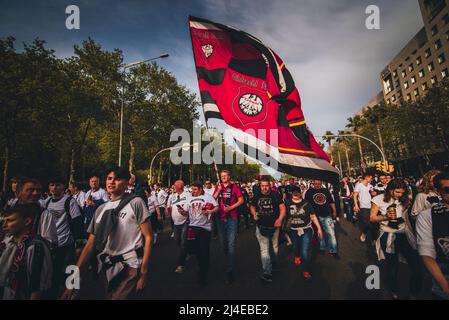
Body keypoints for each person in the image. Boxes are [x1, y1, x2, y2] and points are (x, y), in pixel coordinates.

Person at [61, 166, 152, 300]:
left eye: (117, 179)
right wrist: (72, 282)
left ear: (127, 183)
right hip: (108, 268)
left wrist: (144, 272)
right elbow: (89, 246)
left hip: (131, 266)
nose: (111, 182)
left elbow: (148, 237)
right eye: (109, 178)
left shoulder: (136, 203)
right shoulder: (101, 210)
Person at [370, 178, 422, 300]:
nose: (400, 195)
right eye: (397, 192)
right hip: (388, 234)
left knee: (417, 267)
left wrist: (414, 234)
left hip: (404, 234)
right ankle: (394, 290)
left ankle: (413, 293)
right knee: (393, 267)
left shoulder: (405, 199)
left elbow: (407, 218)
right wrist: (385, 217)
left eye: (402, 192)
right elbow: (372, 218)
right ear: (390, 189)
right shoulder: (378, 199)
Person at [0, 203, 53, 300]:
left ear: (27, 221)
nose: (4, 225)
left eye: (10, 220)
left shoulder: (36, 246)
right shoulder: (9, 242)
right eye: (4, 221)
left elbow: (37, 289)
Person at [44, 177, 84, 298]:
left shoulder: (69, 201)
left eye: (57, 185)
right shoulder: (46, 202)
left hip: (66, 243)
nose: (54, 188)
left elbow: (77, 221)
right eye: (52, 185)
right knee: (53, 275)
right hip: (51, 245)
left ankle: (73, 294)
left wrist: (79, 244)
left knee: (71, 271)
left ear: (63, 187)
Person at [178, 181, 219, 286]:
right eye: (192, 189)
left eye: (195, 189)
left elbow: (217, 207)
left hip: (205, 229)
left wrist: (210, 212)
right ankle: (200, 267)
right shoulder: (189, 198)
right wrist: (182, 212)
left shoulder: (209, 197)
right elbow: (186, 212)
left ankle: (203, 275)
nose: (193, 191)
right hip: (193, 227)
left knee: (204, 253)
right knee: (195, 251)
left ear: (201, 189)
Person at [416, 171, 449, 300]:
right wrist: (444, 285)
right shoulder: (427, 216)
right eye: (448, 190)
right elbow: (426, 253)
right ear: (439, 191)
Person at [250, 179, 285, 283]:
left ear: (270, 186)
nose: (264, 188)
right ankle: (267, 272)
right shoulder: (256, 195)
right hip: (261, 226)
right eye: (262, 186)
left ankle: (274, 263)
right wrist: (254, 214)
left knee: (274, 247)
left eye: (266, 186)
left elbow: (282, 208)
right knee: (264, 250)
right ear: (260, 186)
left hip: (274, 227)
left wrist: (279, 220)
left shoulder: (275, 194)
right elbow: (252, 206)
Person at [213, 170, 244, 284]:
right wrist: (219, 191)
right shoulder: (218, 186)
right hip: (220, 218)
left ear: (229, 177)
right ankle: (229, 257)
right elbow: (213, 199)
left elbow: (241, 200)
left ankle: (230, 270)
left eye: (225, 176)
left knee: (231, 243)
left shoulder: (234, 187)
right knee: (223, 243)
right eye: (222, 176)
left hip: (232, 217)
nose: (224, 177)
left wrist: (231, 207)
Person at [284, 190, 322, 279]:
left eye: (297, 192)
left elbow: (313, 216)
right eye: (294, 193)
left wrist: (319, 228)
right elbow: (283, 214)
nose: (296, 194)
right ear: (292, 194)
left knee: (305, 251)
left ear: (301, 193)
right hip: (293, 230)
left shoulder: (307, 204)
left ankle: (305, 270)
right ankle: (297, 256)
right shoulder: (287, 203)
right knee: (295, 247)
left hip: (306, 230)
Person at [305, 180, 339, 258]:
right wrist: (308, 215)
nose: (317, 185)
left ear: (321, 184)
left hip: (326, 214)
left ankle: (334, 250)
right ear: (313, 184)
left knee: (331, 233)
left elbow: (331, 201)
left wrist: (334, 211)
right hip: (315, 216)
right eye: (316, 184)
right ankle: (322, 247)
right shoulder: (309, 192)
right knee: (319, 233)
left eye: (319, 184)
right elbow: (306, 204)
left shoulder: (325, 190)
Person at [167, 180, 190, 273]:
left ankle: (181, 264)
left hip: (185, 221)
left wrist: (186, 213)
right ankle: (186, 251)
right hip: (175, 223)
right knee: (177, 240)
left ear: (180, 186)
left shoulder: (188, 195)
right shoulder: (173, 196)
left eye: (175, 185)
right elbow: (169, 206)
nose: (173, 187)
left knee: (183, 242)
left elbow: (191, 207)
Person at [354, 174, 374, 243]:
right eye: (371, 178)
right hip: (363, 206)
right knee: (367, 223)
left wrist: (373, 193)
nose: (372, 179)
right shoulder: (359, 185)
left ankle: (374, 239)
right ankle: (364, 233)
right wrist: (356, 205)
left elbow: (372, 193)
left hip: (371, 205)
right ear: (367, 177)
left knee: (373, 222)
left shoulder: (370, 185)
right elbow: (355, 195)